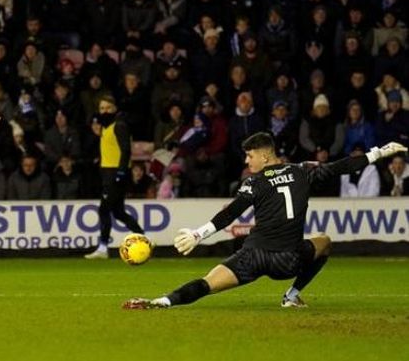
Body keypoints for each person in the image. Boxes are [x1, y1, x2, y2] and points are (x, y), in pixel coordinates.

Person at [123, 132, 406, 309]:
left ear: (264, 154)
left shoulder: (254, 182)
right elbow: (340, 167)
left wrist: (199, 234)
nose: (247, 161)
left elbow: (231, 212)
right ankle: (292, 295)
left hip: (253, 257)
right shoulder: (302, 171)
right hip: (288, 261)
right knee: (325, 242)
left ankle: (162, 301)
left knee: (207, 283)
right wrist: (378, 153)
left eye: (249, 155)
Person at [85, 95, 145, 259]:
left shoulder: (119, 125)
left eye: (108, 108)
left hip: (115, 173)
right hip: (107, 172)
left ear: (114, 109)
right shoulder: (106, 127)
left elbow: (125, 150)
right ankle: (143, 237)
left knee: (104, 209)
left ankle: (103, 248)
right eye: (102, 108)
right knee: (118, 212)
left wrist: (120, 172)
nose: (104, 111)